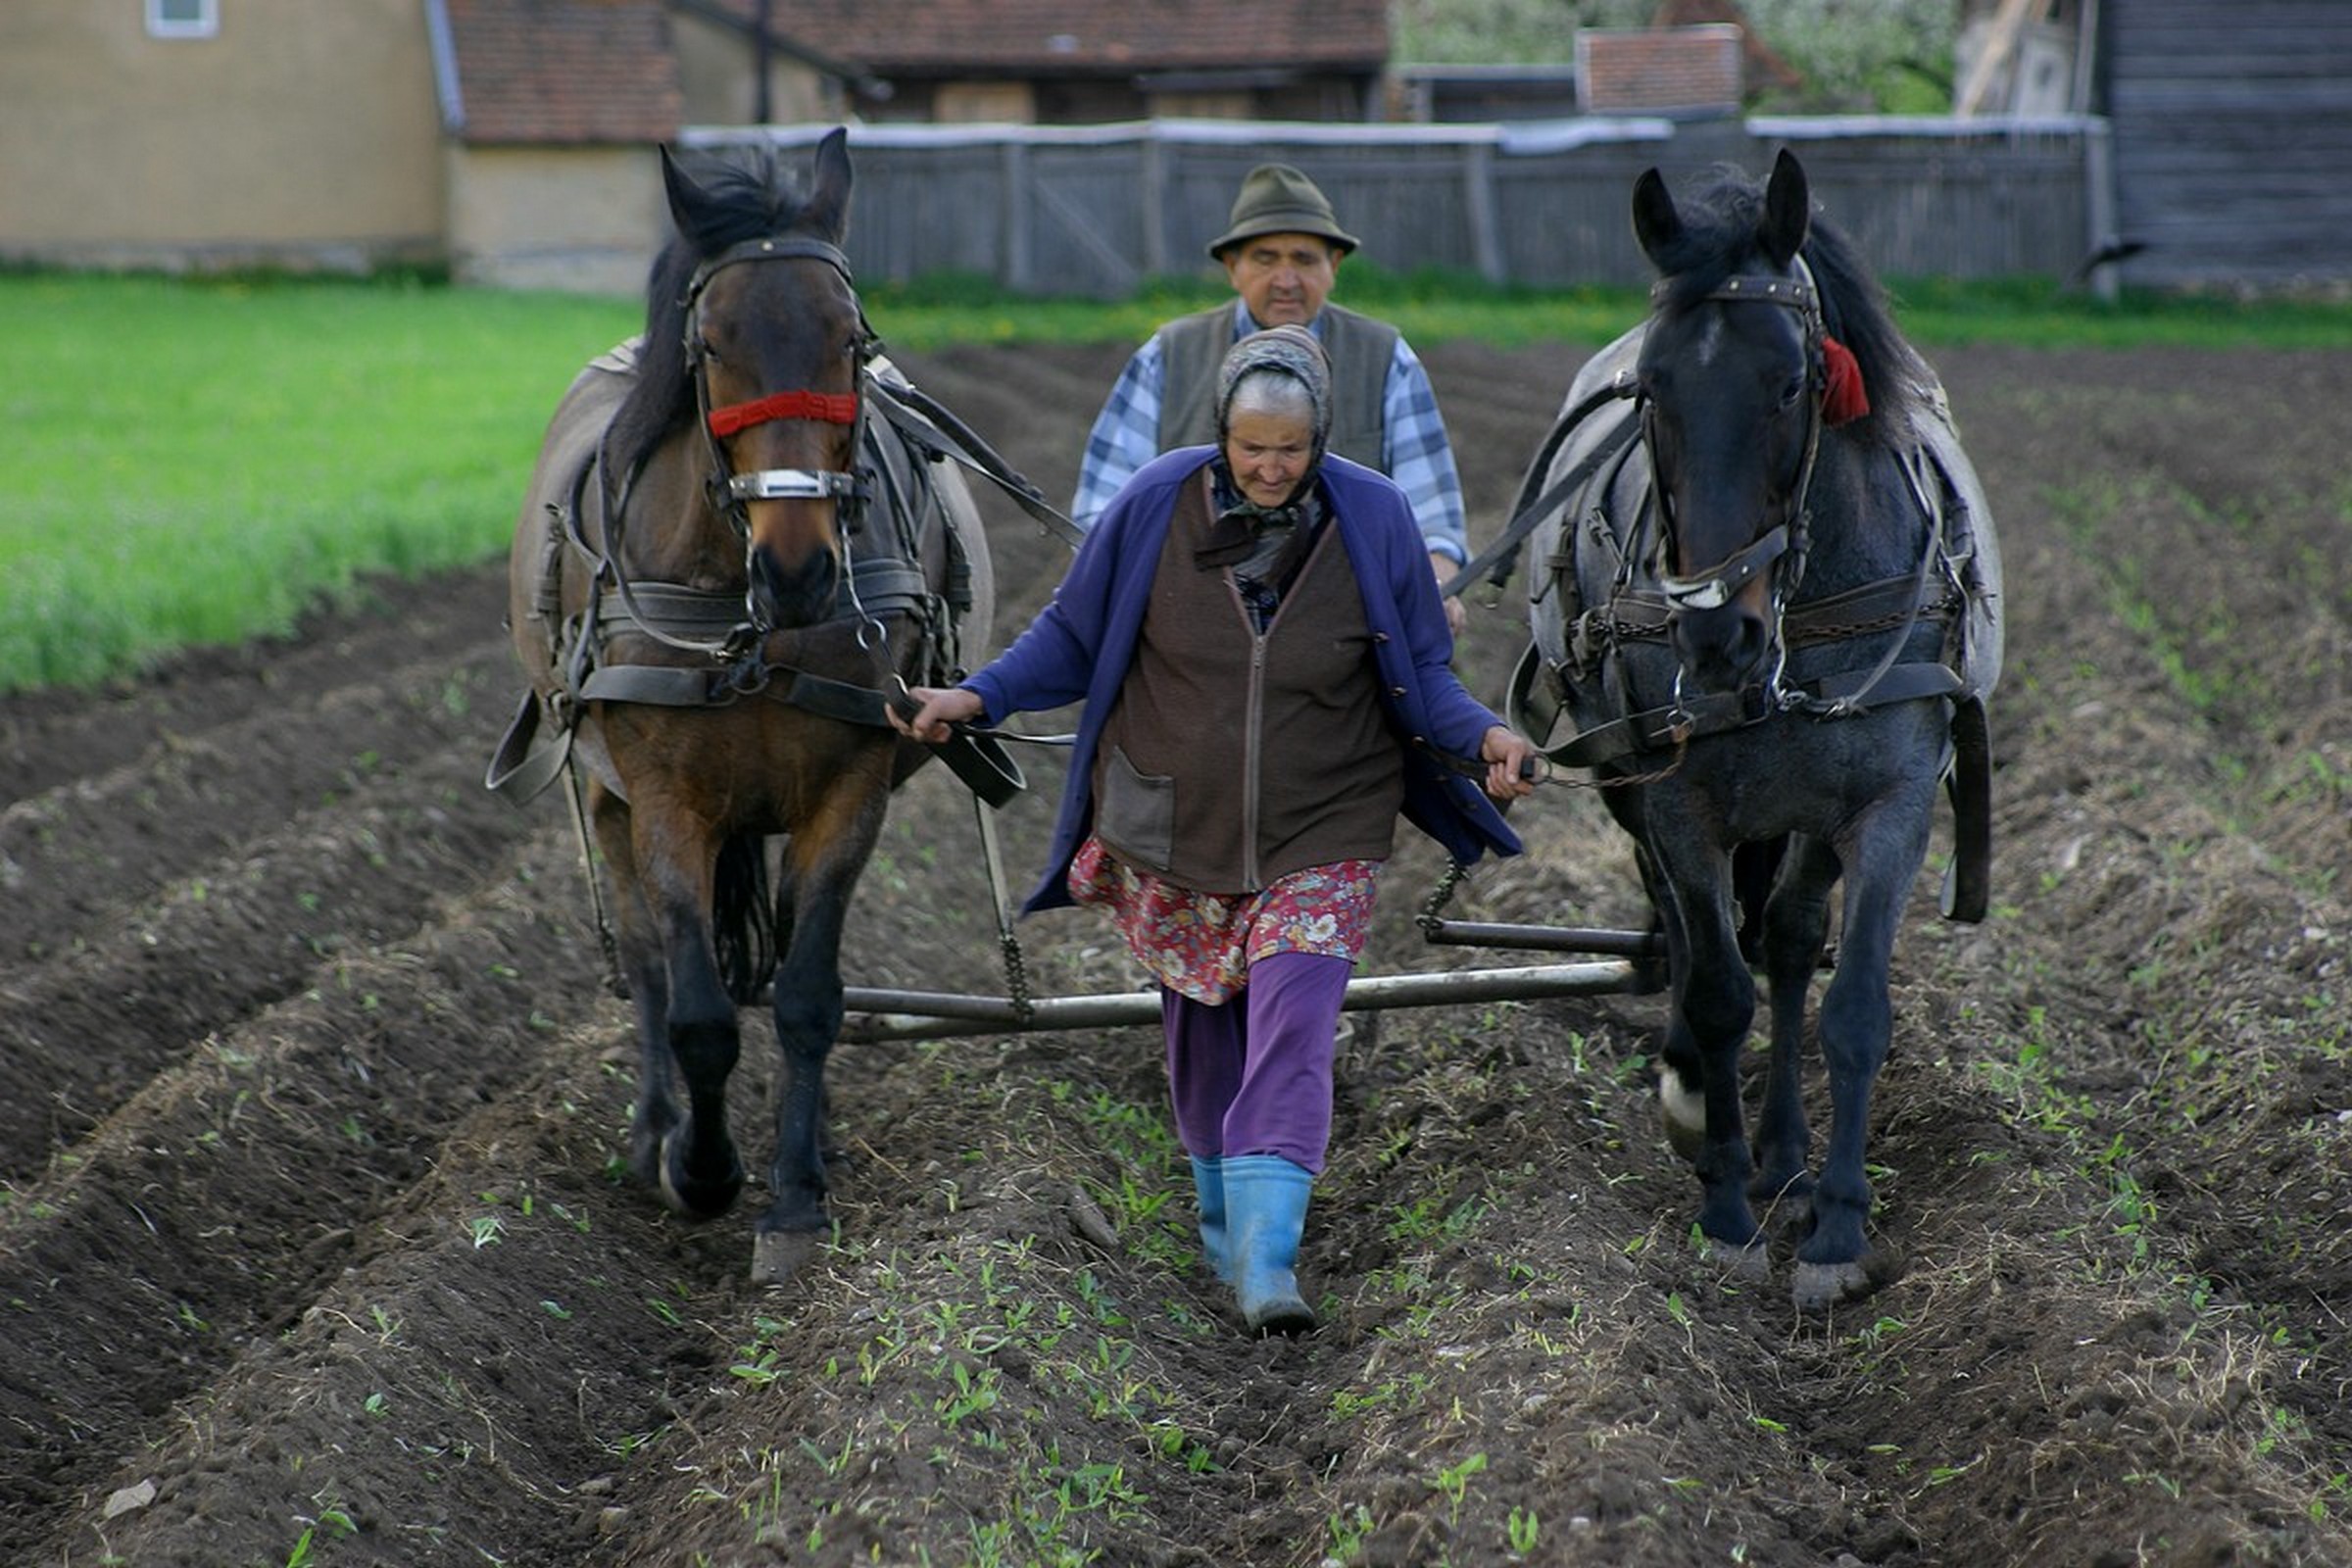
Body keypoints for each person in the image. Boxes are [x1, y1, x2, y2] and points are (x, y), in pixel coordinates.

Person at [893, 327, 1538, 1336]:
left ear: (1320, 439)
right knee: (1201, 1032)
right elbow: (1070, 633)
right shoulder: (1156, 504)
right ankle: (1220, 1222)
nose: (1271, 467)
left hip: (1326, 817)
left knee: (1293, 1020)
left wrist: (1491, 736)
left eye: (1290, 449)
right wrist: (976, 697)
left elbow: (1426, 674)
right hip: (1172, 817)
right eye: (1252, 447)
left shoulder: (1374, 516)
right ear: (1221, 435)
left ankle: (1268, 1261)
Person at [1071, 162, 1474, 633]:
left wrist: (1434, 587)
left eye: (1304, 259)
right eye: (1265, 258)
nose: (1286, 279)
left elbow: (1433, 519)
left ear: (1334, 267)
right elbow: (1104, 510)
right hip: (1189, 624)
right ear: (1232, 268)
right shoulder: (1170, 355)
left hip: (1345, 627)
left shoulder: (1386, 358)